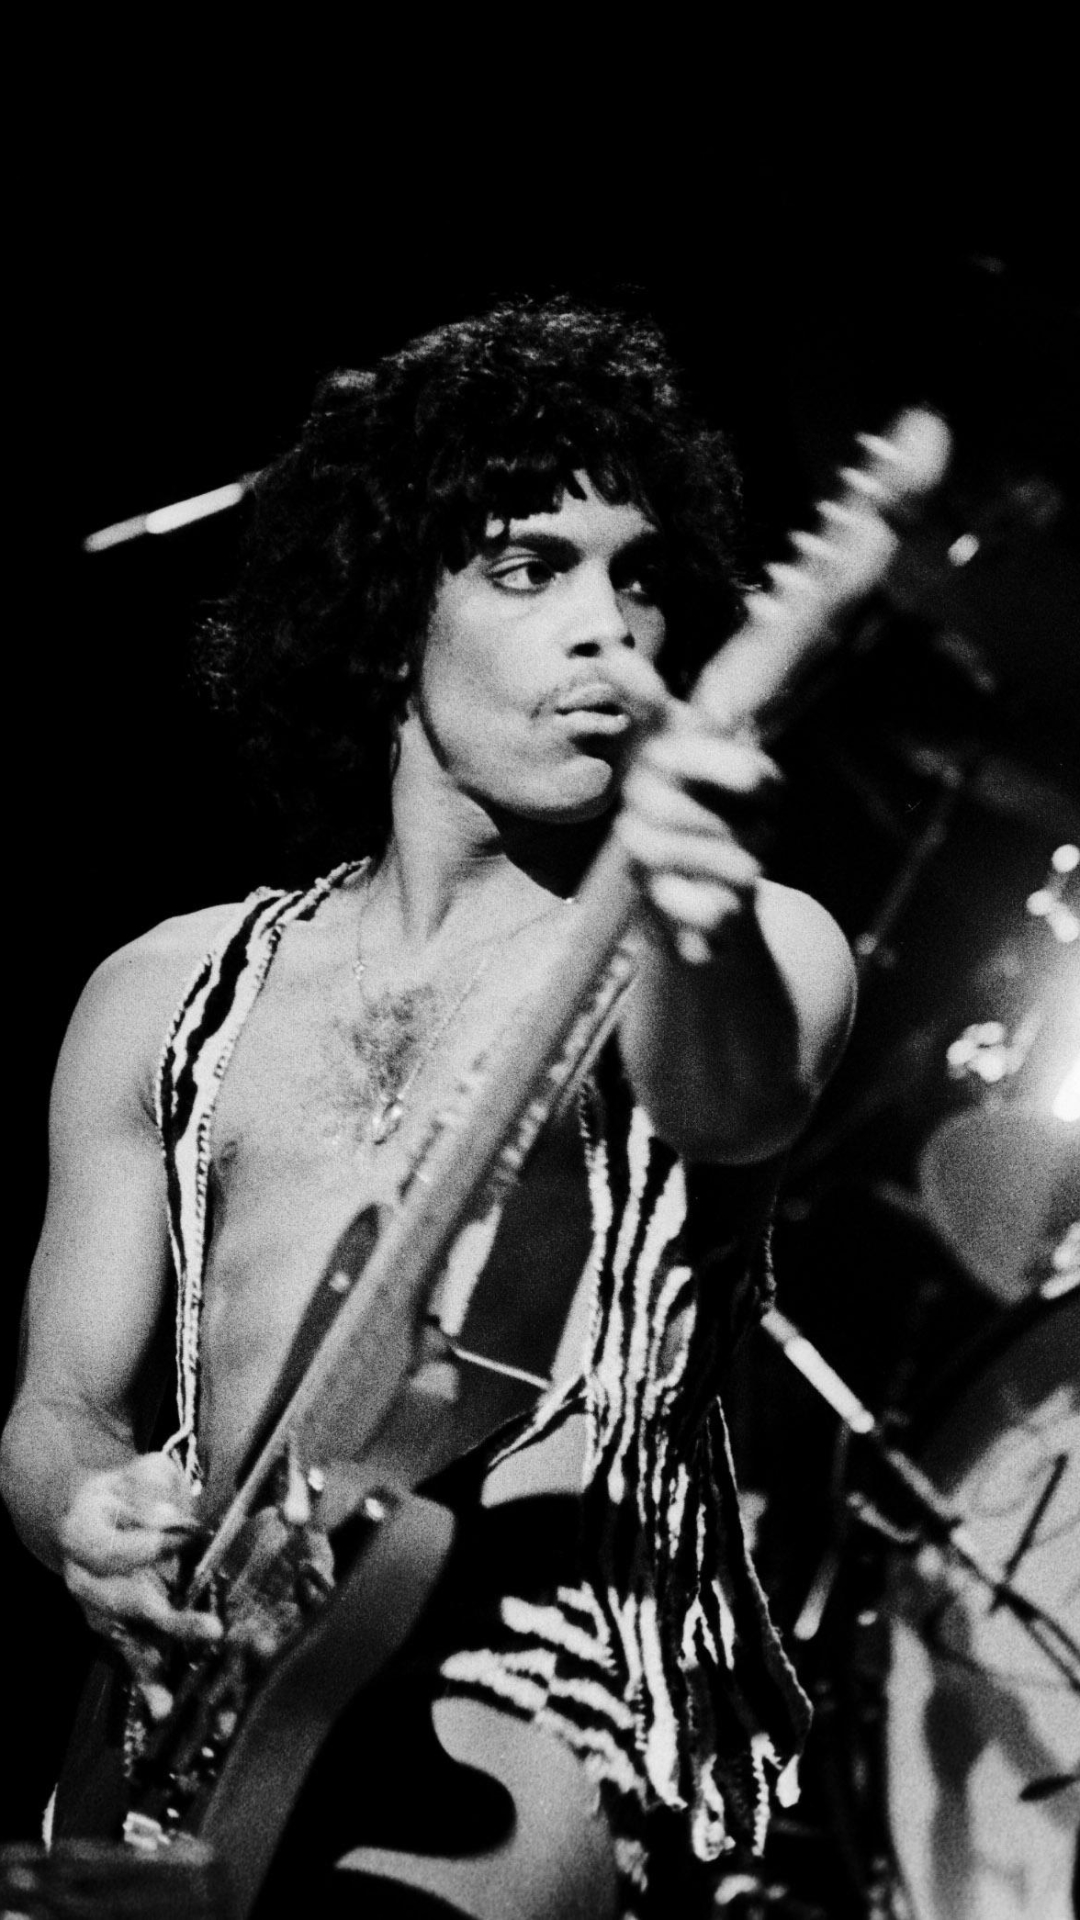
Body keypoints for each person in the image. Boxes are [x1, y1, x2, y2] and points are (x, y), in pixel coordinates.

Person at [1, 298, 856, 1917]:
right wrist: (83, 1516)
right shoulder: (163, 994)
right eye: (531, 570)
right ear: (393, 608)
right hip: (180, 1732)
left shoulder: (740, 944)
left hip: (546, 1680)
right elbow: (56, 1404)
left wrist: (695, 915)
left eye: (641, 578)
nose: (610, 629)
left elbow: (733, 1103)